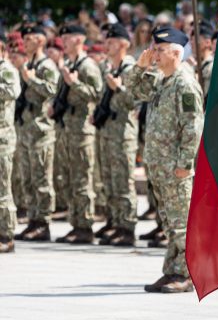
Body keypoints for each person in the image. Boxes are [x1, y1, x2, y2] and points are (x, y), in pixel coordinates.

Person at [126, 27, 204, 294]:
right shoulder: (162, 80)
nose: (155, 54)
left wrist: (185, 164)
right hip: (160, 166)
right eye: (154, 49)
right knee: (169, 223)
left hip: (175, 168)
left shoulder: (184, 83)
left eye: (160, 50)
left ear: (176, 52)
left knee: (182, 223)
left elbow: (193, 127)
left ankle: (187, 273)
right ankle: (172, 269)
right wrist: (140, 66)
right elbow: (133, 89)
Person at [53, 25, 103, 245]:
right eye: (62, 36)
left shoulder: (88, 66)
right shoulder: (71, 64)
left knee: (83, 179)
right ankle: (76, 223)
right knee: (72, 178)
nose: (64, 40)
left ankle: (85, 226)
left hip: (82, 129)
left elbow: (97, 94)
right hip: (69, 128)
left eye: (68, 37)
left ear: (80, 39)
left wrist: (75, 84)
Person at [94, 24, 140, 247]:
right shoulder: (108, 66)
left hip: (123, 134)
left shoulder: (130, 69)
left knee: (123, 181)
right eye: (107, 41)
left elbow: (135, 101)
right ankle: (114, 221)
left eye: (112, 42)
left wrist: (119, 88)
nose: (107, 45)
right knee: (109, 180)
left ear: (123, 44)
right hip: (107, 132)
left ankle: (127, 226)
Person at [13, 25, 59, 242]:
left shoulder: (46, 65)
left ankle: (43, 222)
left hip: (41, 130)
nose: (26, 42)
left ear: (41, 41)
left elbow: (53, 90)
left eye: (30, 38)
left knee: (41, 179)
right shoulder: (28, 64)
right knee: (28, 179)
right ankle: (32, 219)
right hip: (26, 129)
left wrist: (31, 79)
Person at [0, 34, 21, 253]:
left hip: (3, 138)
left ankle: (6, 235)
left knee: (3, 189)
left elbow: (13, 92)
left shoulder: (6, 69)